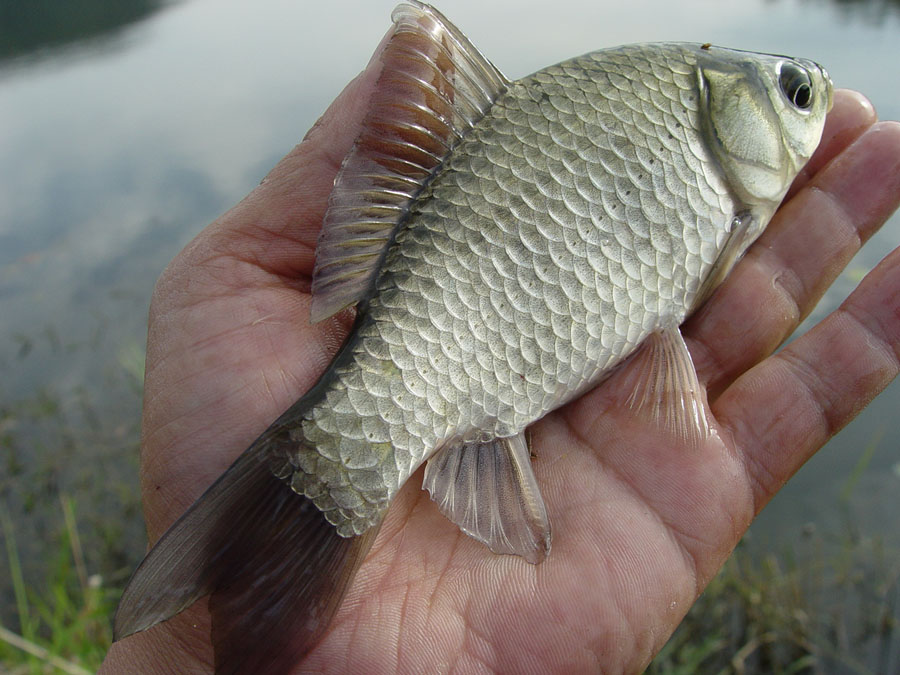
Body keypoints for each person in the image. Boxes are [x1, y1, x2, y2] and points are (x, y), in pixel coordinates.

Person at [100, 55, 900, 673]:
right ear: (722, 104)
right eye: (796, 94)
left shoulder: (669, 126)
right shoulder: (676, 122)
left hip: (489, 328)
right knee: (341, 456)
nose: (808, 107)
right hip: (443, 306)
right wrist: (185, 656)